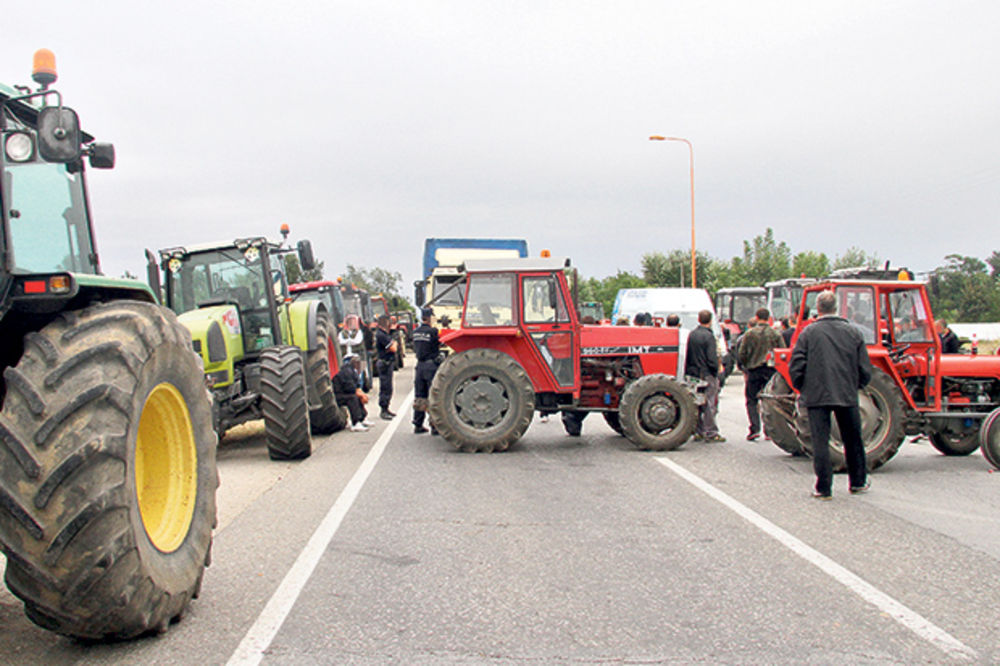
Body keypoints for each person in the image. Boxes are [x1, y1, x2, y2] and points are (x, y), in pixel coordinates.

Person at [789, 290, 873, 500]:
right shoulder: (853, 332)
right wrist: (857, 385)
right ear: (836, 307)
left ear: (818, 308)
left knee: (820, 441)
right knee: (853, 439)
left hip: (817, 394)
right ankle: (858, 481)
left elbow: (797, 364)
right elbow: (865, 368)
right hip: (846, 392)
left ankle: (823, 487)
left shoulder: (808, 333)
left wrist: (802, 387)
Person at [738, 307, 785, 441]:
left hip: (754, 370)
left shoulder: (750, 334)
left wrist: (745, 365)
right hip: (770, 370)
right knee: (769, 400)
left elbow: (742, 353)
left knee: (752, 400)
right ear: (769, 318)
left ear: (757, 317)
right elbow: (781, 351)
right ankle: (769, 430)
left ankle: (754, 428)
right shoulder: (775, 334)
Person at [685, 309, 724, 442]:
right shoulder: (709, 336)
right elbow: (712, 358)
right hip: (706, 372)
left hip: (693, 372)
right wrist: (715, 371)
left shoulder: (692, 334)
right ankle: (711, 431)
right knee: (709, 403)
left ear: (698, 319)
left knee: (697, 402)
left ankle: (698, 430)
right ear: (711, 320)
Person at [412, 307, 441, 434]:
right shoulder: (433, 331)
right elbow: (438, 345)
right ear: (430, 318)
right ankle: (434, 426)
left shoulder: (416, 332)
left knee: (419, 395)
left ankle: (418, 424)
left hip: (420, 366)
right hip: (431, 366)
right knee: (433, 396)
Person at [333, 354, 372, 431]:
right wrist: (361, 395)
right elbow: (350, 388)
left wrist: (363, 395)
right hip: (337, 395)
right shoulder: (347, 371)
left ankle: (362, 418)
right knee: (353, 398)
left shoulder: (354, 372)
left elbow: (357, 387)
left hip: (346, 393)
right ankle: (355, 423)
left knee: (357, 396)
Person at [374, 314, 398, 420]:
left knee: (389, 387)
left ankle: (386, 408)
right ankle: (383, 410)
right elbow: (393, 348)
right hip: (385, 363)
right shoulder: (381, 335)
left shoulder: (385, 334)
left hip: (388, 362)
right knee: (385, 387)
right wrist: (394, 344)